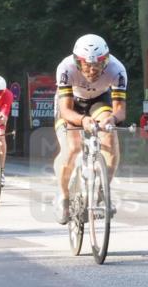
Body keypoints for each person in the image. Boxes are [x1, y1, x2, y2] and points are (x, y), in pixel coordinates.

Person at [53, 34, 127, 224]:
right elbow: (66, 110)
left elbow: (120, 110)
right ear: (77, 62)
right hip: (71, 103)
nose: (92, 70)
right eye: (87, 65)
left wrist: (111, 119)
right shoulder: (65, 68)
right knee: (72, 148)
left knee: (110, 138)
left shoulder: (117, 70)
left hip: (99, 100)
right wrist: (83, 120)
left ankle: (102, 191)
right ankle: (63, 196)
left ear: (106, 61)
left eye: (98, 65)